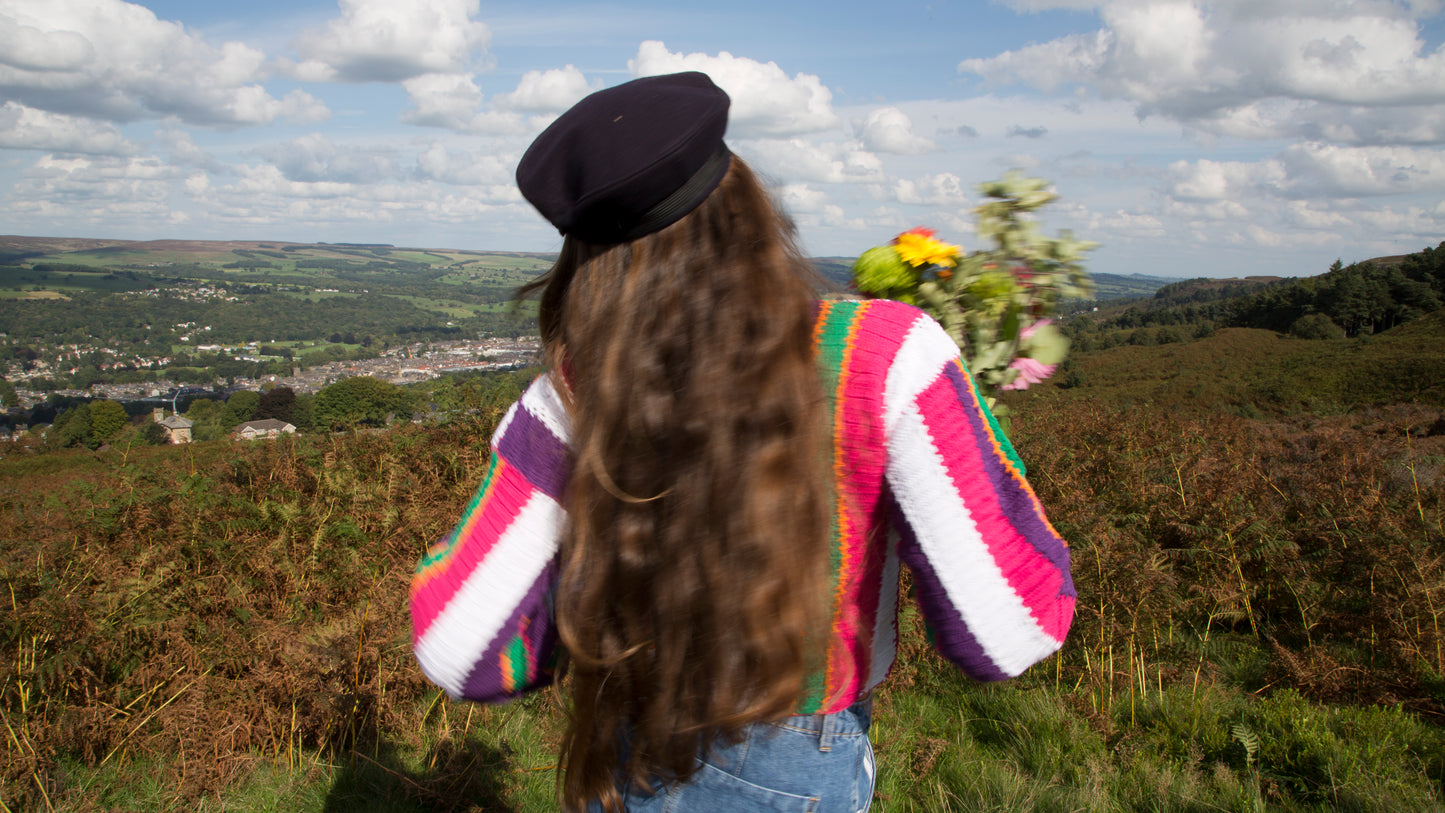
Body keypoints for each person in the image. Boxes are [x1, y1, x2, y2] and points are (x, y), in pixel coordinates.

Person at [410, 71, 1075, 813]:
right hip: (794, 769)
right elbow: (1010, 626)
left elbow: (459, 647)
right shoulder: (885, 354)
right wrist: (973, 443)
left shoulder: (573, 387)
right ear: (746, 199)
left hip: (620, 755)